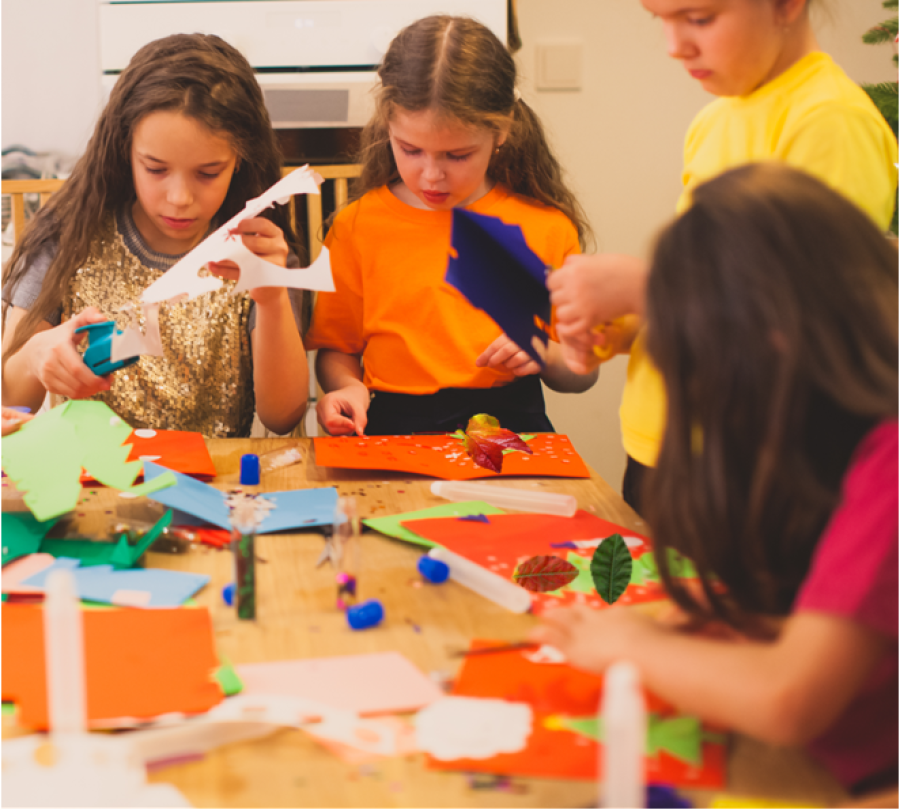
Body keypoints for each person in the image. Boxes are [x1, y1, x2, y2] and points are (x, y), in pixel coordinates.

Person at [534, 165, 899, 797]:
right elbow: (831, 621)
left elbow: (788, 698)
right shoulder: (823, 424)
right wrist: (721, 627)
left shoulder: (889, 458)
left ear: (774, 334)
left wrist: (628, 647)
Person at [547, 0, 899, 512]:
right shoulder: (715, 120)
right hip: (663, 450)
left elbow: (806, 316)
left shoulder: (831, 123)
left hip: (742, 464)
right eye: (659, 19)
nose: (674, 46)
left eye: (699, 19)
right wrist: (620, 327)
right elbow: (716, 289)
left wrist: (645, 286)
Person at [1, 34, 309, 438]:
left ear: (240, 161)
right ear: (124, 149)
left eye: (207, 172)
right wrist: (35, 356)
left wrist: (270, 298)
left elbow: (282, 416)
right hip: (96, 483)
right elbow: (11, 398)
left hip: (214, 485)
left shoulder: (258, 251)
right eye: (156, 169)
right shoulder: (67, 235)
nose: (179, 199)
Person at [306, 15, 598, 437]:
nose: (430, 177)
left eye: (456, 156)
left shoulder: (546, 228)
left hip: (510, 431)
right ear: (388, 126)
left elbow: (581, 375)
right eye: (410, 150)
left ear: (500, 132)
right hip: (391, 429)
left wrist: (543, 353)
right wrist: (347, 389)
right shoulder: (357, 226)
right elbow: (338, 350)